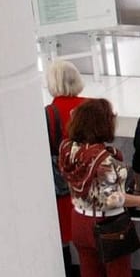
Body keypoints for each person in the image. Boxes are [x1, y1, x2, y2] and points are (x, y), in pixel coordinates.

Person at [59, 98, 140, 277]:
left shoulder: (68, 149)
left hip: (78, 220)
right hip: (109, 225)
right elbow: (113, 199)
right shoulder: (105, 160)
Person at [44, 60, 87, 231]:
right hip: (91, 181)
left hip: (65, 185)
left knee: (66, 233)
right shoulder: (92, 106)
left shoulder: (49, 113)